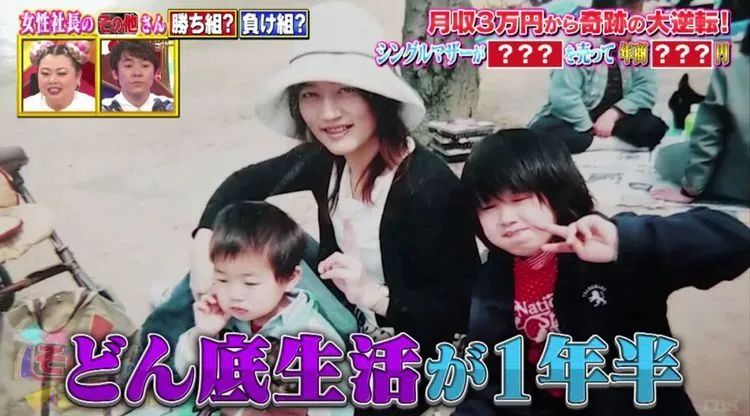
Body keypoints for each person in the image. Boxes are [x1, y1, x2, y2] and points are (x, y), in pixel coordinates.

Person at [140, 2, 479, 414]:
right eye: (311, 95)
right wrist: (202, 247)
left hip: (402, 349)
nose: (328, 113)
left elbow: (458, 312)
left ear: (379, 97)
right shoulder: (327, 159)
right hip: (342, 306)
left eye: (346, 91)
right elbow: (242, 185)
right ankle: (148, 362)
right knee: (238, 250)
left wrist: (375, 296)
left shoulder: (427, 188)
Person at [453, 129, 750, 415]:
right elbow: (491, 384)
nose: (506, 218)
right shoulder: (493, 278)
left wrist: (627, 241)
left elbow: (735, 242)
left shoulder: (607, 248)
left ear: (557, 191)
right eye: (488, 207)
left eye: (519, 199)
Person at [173, 201, 351, 416]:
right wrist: (205, 334)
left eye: (250, 283)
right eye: (222, 279)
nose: (234, 295)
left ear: (290, 278)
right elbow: (185, 373)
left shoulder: (312, 336)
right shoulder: (223, 316)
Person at [528, 0, 667, 154]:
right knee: (544, 134)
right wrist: (588, 127)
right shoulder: (582, 44)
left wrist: (613, 114)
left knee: (653, 127)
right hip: (577, 119)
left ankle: (592, 143)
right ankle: (605, 143)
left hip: (616, 118)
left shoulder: (634, 45)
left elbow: (645, 89)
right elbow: (564, 96)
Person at [652, 25, 750, 205]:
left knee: (666, 157)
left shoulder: (731, 71)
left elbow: (709, 135)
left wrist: (690, 189)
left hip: (742, 180)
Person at [22, 40, 95, 112]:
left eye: (61, 73)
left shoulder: (93, 108)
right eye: (45, 73)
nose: (52, 80)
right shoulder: (25, 107)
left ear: (78, 76)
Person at [101, 40, 174, 112]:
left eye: (145, 66)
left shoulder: (172, 107)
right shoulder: (102, 109)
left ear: (155, 73)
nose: (137, 73)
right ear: (115, 74)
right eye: (129, 66)